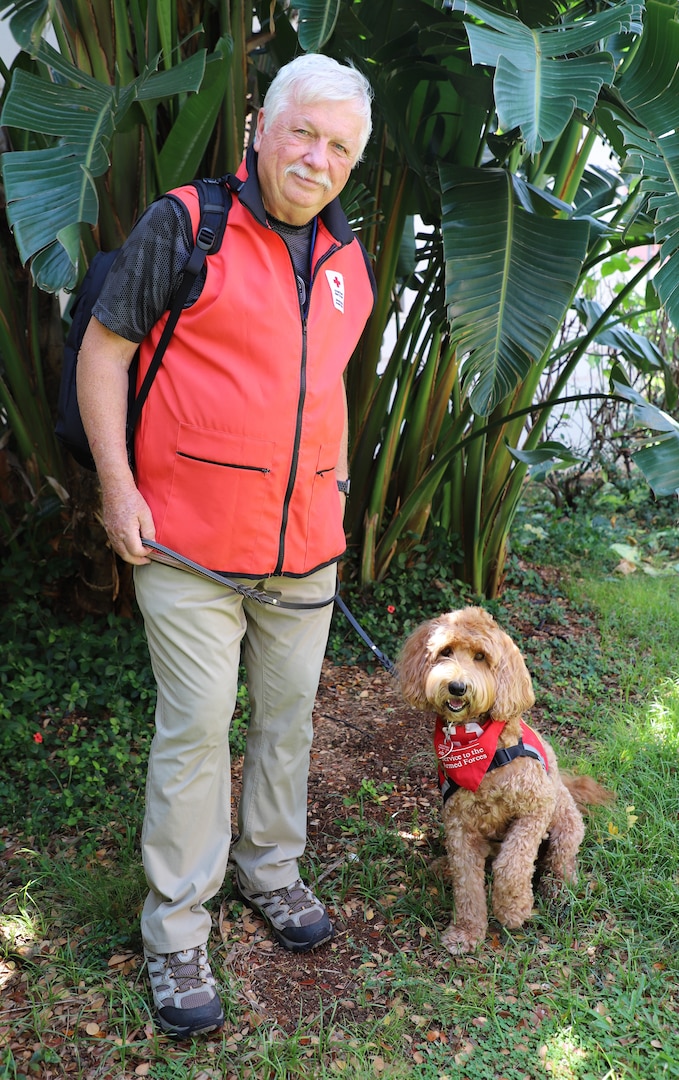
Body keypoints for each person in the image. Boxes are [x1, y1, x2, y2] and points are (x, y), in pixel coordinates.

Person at [77, 54, 375, 1038]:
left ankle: (271, 870)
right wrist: (117, 489)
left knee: (287, 722)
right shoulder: (187, 224)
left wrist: (335, 480)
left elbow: (320, 382)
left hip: (304, 551)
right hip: (187, 548)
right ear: (259, 125)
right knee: (199, 728)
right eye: (303, 132)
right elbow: (105, 351)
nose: (316, 157)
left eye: (338, 146)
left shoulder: (348, 260)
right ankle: (175, 929)